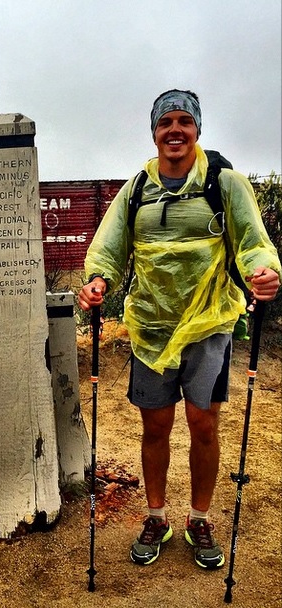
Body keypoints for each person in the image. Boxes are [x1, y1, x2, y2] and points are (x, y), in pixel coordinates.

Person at [78, 89, 281, 570]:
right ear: (153, 132)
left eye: (184, 121)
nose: (175, 129)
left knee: (203, 424)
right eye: (165, 121)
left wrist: (264, 270)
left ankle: (199, 518)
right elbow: (108, 245)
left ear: (197, 130)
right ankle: (155, 516)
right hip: (151, 325)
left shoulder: (224, 183)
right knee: (156, 425)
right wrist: (96, 281)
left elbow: (254, 240)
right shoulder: (137, 189)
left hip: (210, 324)